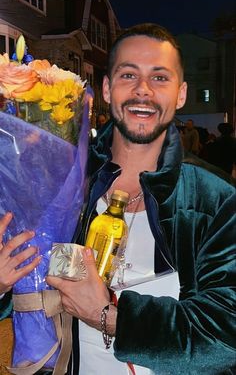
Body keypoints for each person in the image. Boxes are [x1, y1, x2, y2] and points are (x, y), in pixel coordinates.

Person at [0, 23, 235, 375]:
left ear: (181, 93)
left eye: (159, 78)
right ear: (108, 89)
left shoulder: (212, 198)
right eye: (128, 75)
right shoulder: (61, 183)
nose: (143, 90)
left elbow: (225, 336)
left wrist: (108, 316)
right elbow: (28, 289)